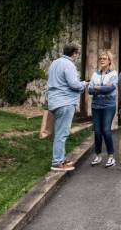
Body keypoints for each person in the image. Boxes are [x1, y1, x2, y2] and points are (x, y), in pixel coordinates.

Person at [47, 43, 87, 172]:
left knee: (60, 133)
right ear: (74, 53)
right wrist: (83, 84)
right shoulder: (69, 64)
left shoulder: (55, 63)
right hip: (65, 102)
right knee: (62, 134)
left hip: (54, 101)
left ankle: (61, 159)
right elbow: (73, 84)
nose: (77, 56)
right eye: (77, 54)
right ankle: (57, 162)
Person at [88, 50, 118, 168]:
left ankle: (111, 157)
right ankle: (98, 155)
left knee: (106, 130)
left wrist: (96, 87)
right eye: (100, 58)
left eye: (104, 58)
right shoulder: (95, 74)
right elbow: (89, 90)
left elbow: (110, 90)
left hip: (108, 106)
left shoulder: (114, 74)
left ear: (109, 61)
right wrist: (103, 87)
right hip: (96, 105)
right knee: (97, 131)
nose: (101, 60)